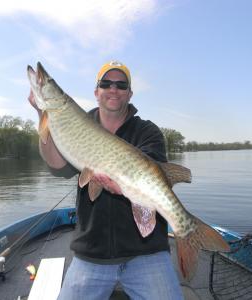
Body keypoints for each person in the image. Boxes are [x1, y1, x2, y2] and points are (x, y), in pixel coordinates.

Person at [29, 60, 184, 300]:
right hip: (92, 252)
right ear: (96, 91)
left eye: (121, 85)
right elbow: (56, 164)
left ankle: (187, 231)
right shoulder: (74, 122)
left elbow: (154, 176)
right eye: (106, 83)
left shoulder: (147, 131)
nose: (113, 89)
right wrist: (42, 112)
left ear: (129, 94)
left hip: (147, 251)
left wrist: (122, 188)